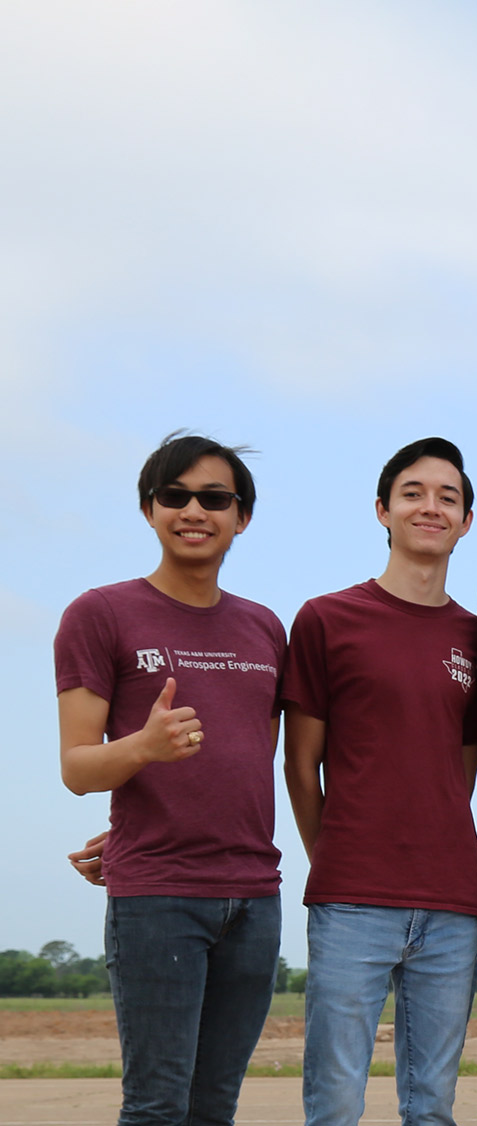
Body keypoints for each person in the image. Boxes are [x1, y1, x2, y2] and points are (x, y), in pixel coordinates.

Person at [54, 433, 286, 1126]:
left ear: (241, 517)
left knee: (213, 1107)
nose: (194, 510)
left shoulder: (265, 628)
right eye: (175, 495)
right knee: (157, 1106)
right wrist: (145, 748)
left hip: (254, 899)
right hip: (158, 898)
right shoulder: (101, 614)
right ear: (149, 509)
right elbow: (76, 768)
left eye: (215, 498)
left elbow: (246, 764)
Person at [281, 437, 477, 1126]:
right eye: (413, 493)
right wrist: (337, 857)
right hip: (351, 899)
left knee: (432, 1104)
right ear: (382, 510)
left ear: (465, 522)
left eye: (448, 497)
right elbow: (299, 762)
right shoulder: (327, 618)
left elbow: (460, 767)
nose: (430, 506)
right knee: (337, 1100)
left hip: (452, 901)